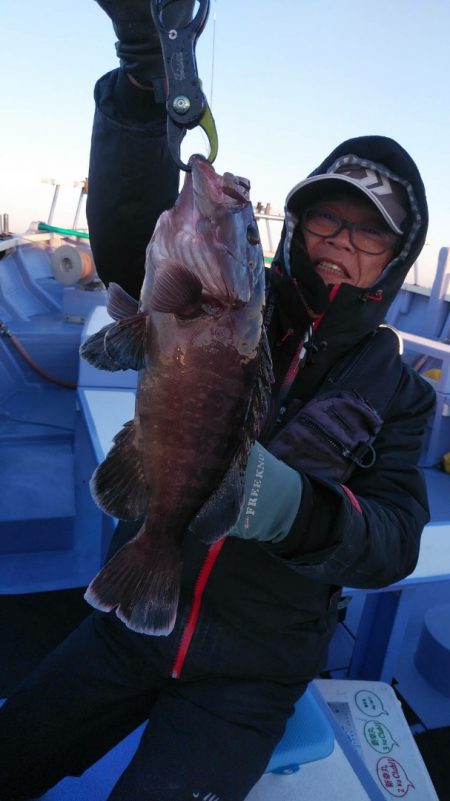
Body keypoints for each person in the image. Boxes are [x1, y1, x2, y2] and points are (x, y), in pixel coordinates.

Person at [0, 2, 436, 800]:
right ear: (295, 227)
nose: (339, 240)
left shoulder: (402, 394)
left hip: (251, 679)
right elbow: (135, 223)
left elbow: (396, 539)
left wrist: (297, 510)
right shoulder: (234, 296)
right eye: (325, 218)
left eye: (369, 233)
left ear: (395, 260)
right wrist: (143, 84)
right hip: (124, 636)